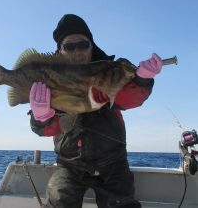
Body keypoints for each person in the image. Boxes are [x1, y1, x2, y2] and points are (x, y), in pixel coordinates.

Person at [28, 14, 163, 208]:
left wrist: (142, 79)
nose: (78, 51)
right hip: (69, 164)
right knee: (58, 199)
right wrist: (41, 118)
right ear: (60, 51)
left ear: (92, 46)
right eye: (69, 46)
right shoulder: (49, 79)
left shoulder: (109, 71)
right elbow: (49, 129)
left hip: (113, 163)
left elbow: (129, 98)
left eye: (83, 45)